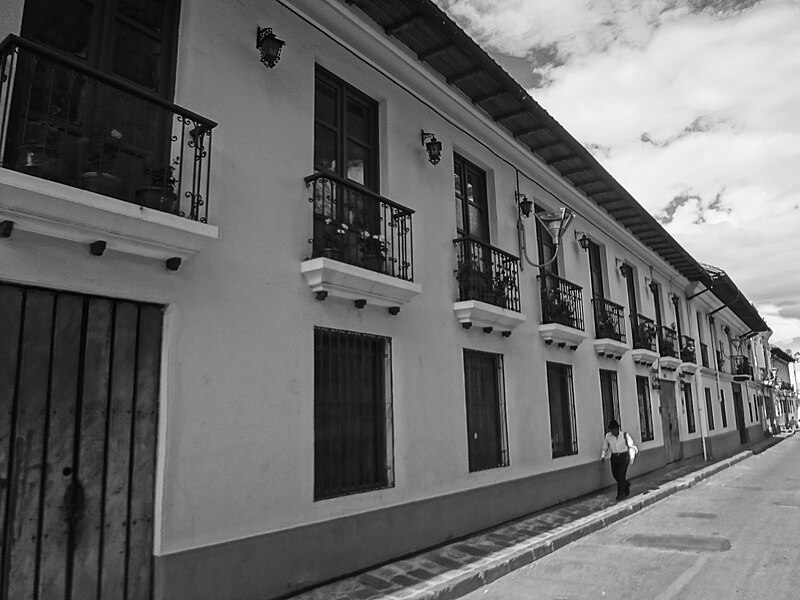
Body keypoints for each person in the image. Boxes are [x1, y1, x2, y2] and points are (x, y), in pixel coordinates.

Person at [600, 419, 635, 501]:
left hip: (624, 456)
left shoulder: (625, 435)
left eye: (613, 429)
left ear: (617, 429)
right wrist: (603, 455)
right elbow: (605, 447)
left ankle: (620, 494)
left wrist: (632, 457)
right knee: (615, 475)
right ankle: (626, 484)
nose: (612, 431)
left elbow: (631, 446)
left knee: (621, 475)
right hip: (614, 457)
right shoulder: (608, 436)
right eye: (610, 429)